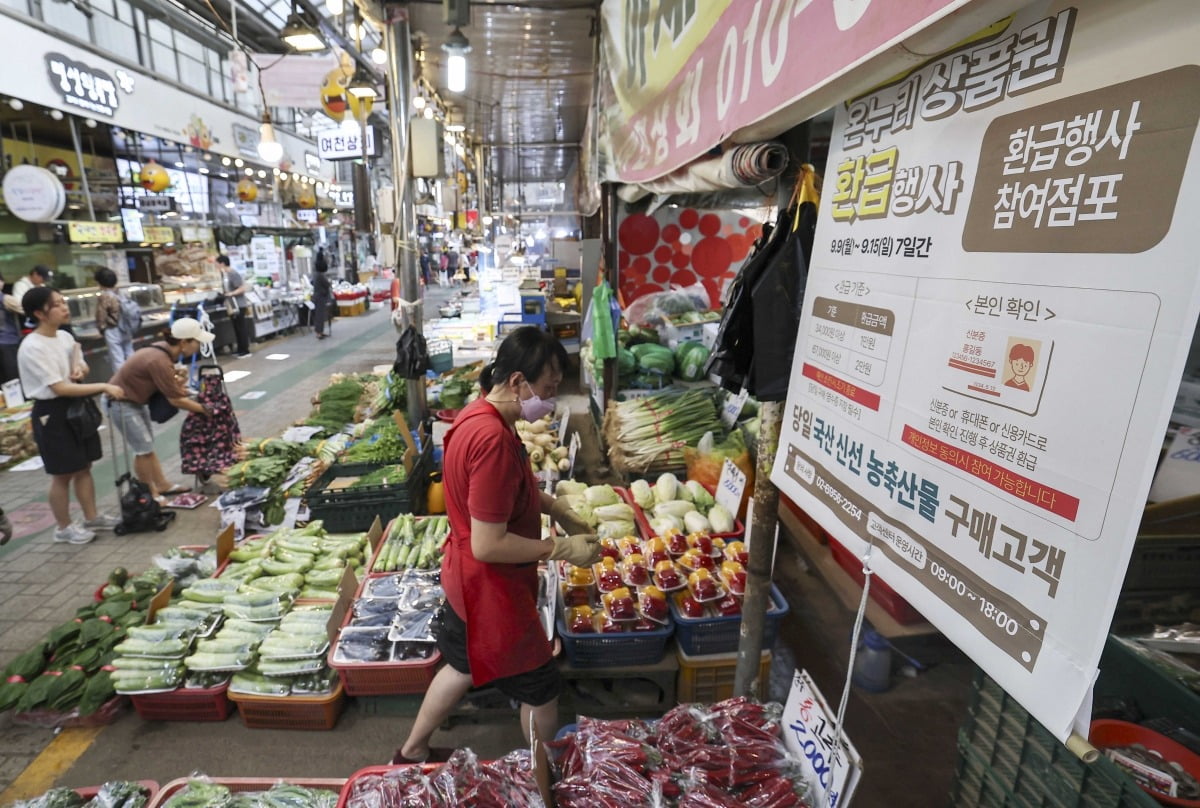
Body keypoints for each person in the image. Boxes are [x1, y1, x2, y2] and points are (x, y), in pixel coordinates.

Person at [395, 326, 598, 764]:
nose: (550, 399)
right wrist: (558, 549)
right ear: (517, 383)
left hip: (463, 579)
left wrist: (555, 508)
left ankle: (412, 750)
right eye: (547, 388)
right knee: (542, 690)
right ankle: (541, 777)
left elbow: (506, 493)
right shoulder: (491, 441)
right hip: (490, 591)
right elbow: (489, 543)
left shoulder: (478, 416)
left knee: (460, 664)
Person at [17, 287, 124, 545]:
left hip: (75, 406)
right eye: (57, 304)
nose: (64, 308)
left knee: (84, 465)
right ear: (39, 313)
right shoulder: (32, 347)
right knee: (62, 473)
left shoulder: (64, 337)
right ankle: (63, 528)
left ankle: (91, 517)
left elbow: (78, 367)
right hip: (51, 412)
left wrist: (80, 368)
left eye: (63, 302)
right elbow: (59, 388)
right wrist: (104, 386)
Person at [106, 318, 213, 503]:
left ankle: (162, 485)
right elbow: (176, 399)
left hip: (135, 402)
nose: (199, 345)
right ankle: (150, 494)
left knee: (147, 447)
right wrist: (206, 409)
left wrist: (180, 382)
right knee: (143, 449)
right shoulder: (159, 359)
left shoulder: (162, 352)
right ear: (184, 342)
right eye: (197, 342)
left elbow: (169, 388)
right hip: (121, 404)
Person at [94, 268, 134, 372]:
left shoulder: (104, 296)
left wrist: (101, 329)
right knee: (130, 353)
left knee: (117, 359)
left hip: (113, 329)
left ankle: (122, 382)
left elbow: (101, 315)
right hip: (126, 327)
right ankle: (135, 376)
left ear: (100, 282)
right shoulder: (121, 293)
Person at [217, 255, 251, 358]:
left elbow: (242, 288)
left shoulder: (233, 274)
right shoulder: (225, 275)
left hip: (238, 304)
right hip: (231, 305)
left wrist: (231, 294)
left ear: (222, 263)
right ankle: (239, 348)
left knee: (241, 327)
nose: (216, 266)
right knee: (236, 327)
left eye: (217, 263)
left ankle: (245, 350)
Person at [0, 283, 20, 384]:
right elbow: (26, 309)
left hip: (7, 342)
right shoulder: (6, 299)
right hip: (8, 342)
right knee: (12, 378)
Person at [311, 256, 333, 340]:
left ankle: (320, 331)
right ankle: (319, 332)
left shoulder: (317, 275)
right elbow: (327, 284)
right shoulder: (320, 276)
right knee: (320, 316)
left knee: (320, 315)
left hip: (318, 297)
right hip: (320, 297)